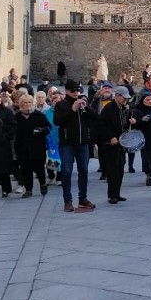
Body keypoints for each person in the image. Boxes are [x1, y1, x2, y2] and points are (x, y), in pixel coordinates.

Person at [54, 80, 97, 212]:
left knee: (83, 170)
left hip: (83, 142)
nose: (75, 93)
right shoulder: (61, 105)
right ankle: (67, 200)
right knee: (66, 171)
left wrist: (87, 108)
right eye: (73, 91)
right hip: (67, 143)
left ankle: (83, 198)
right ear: (67, 91)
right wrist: (72, 110)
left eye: (78, 90)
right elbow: (57, 121)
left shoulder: (83, 103)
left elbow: (96, 117)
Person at [94, 86, 130, 204]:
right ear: (118, 96)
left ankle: (117, 193)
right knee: (112, 170)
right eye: (124, 98)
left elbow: (123, 124)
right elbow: (101, 125)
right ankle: (111, 195)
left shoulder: (123, 108)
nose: (125, 100)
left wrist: (130, 122)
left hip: (120, 143)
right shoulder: (109, 108)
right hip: (110, 144)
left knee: (120, 169)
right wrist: (111, 137)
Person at [14, 96, 51, 197]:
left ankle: (43, 183)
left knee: (39, 168)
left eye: (29, 102)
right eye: (24, 103)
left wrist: (41, 130)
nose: (27, 105)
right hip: (22, 147)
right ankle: (28, 189)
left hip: (37, 147)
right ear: (21, 104)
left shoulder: (39, 115)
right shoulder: (17, 117)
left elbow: (48, 128)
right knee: (26, 169)